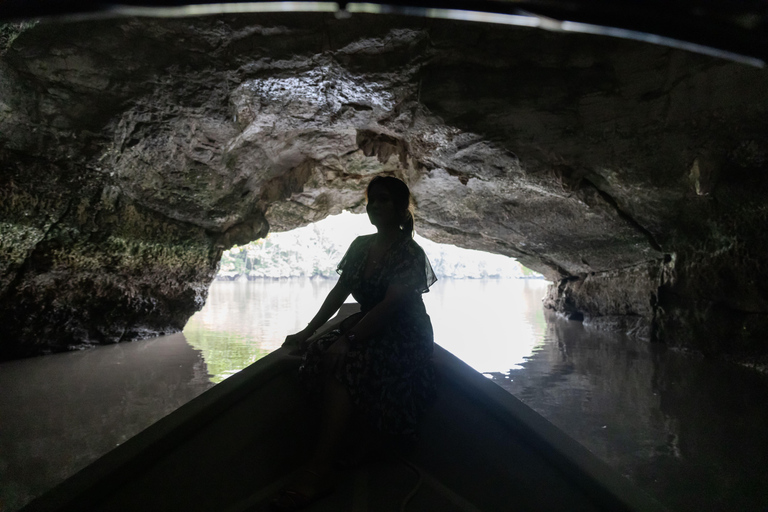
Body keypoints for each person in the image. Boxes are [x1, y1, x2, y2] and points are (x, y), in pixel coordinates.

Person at [271, 176, 437, 511]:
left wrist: (348, 340)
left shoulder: (409, 253)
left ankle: (318, 470)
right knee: (317, 353)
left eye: (383, 199)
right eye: (371, 200)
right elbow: (339, 293)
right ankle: (352, 441)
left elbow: (390, 306)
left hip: (404, 332)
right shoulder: (361, 246)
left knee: (347, 362)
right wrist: (307, 332)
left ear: (401, 207)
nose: (375, 206)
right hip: (368, 325)